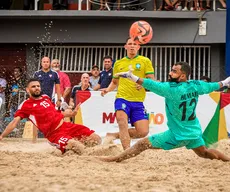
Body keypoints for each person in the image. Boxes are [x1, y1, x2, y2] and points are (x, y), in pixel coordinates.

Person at [100, 61, 230, 162]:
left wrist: (132, 77)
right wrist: (225, 82)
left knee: (142, 144)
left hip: (177, 135)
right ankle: (227, 160)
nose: (170, 73)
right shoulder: (196, 85)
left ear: (182, 75)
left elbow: (151, 84)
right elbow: (212, 86)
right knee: (205, 153)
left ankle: (114, 159)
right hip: (194, 132)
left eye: (174, 71)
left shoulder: (171, 89)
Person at [0, 78, 101, 153]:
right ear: (27, 90)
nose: (36, 88)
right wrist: (1, 136)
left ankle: (92, 151)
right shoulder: (25, 105)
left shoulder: (46, 97)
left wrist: (72, 113)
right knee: (76, 145)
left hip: (66, 126)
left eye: (38, 86)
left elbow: (57, 113)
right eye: (33, 87)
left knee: (96, 138)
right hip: (54, 135)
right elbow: (14, 122)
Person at [101, 38, 155, 150]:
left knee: (143, 132)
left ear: (138, 47)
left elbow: (151, 79)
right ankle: (127, 150)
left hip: (138, 101)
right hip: (122, 98)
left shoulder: (145, 61)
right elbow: (115, 82)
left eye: (134, 44)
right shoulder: (119, 63)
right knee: (122, 122)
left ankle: (113, 135)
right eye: (129, 44)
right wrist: (108, 89)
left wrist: (144, 84)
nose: (132, 46)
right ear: (125, 46)